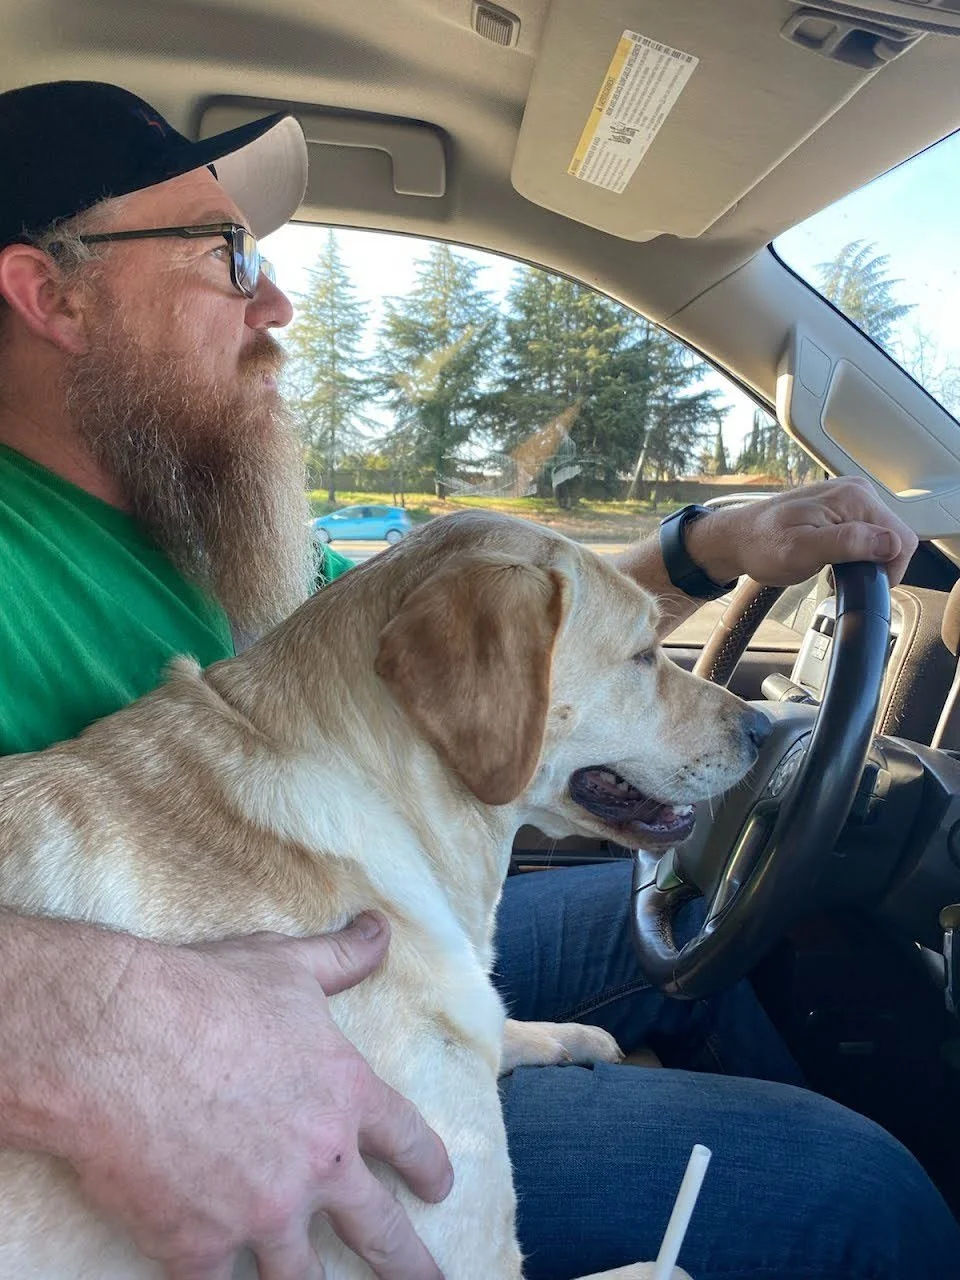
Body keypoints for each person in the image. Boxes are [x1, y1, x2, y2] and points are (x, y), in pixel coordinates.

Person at [0, 79, 955, 1280]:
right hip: (238, 1085)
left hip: (357, 935)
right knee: (855, 1188)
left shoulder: (198, 521)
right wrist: (123, 1018)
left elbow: (498, 645)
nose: (278, 298)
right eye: (228, 255)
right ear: (52, 296)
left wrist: (706, 548)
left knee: (694, 907)